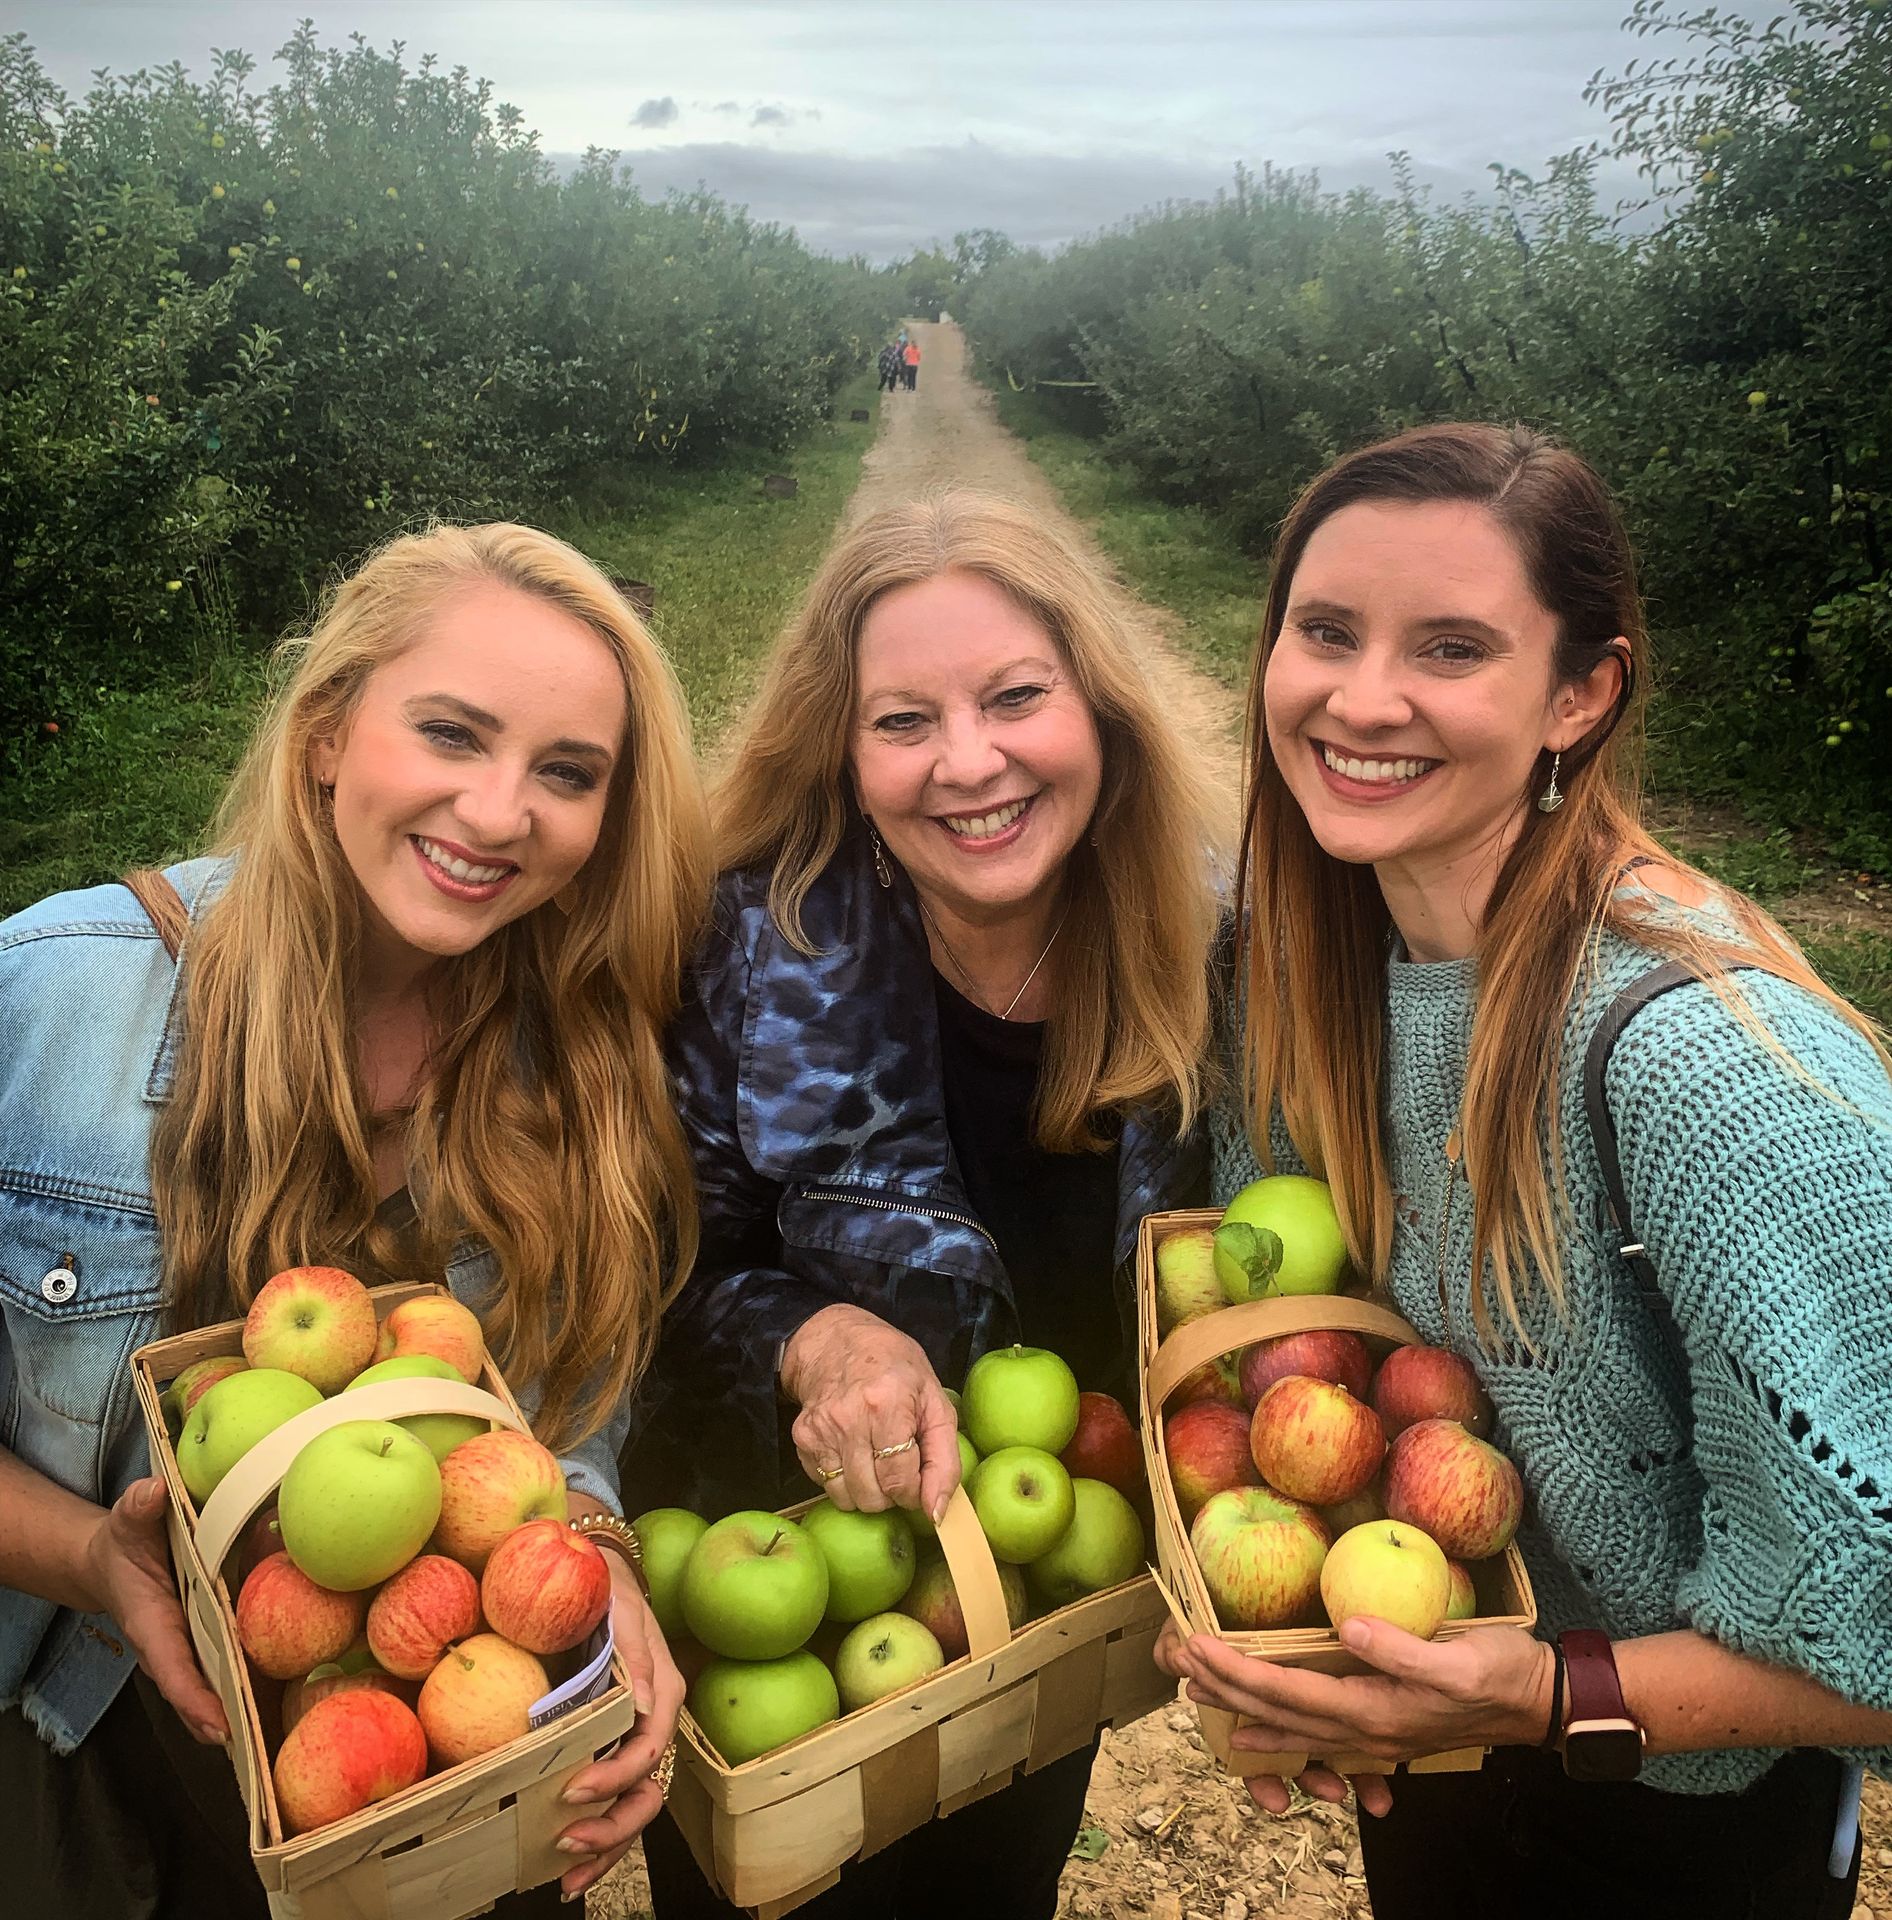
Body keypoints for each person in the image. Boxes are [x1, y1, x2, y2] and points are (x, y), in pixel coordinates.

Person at [1158, 422, 1892, 1920]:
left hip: (1670, 1828)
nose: (1362, 700)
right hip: (1448, 1757)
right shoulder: (1311, 969)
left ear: (1580, 693)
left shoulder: (1710, 1077)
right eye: (1325, 631)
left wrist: (1549, 1697)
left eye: (1449, 648)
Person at [0, 522, 713, 1916]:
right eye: (452, 734)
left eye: (567, 774)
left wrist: (595, 1553)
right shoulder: (44, 1005)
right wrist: (95, 1556)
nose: (502, 813)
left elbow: (570, 1411)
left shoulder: (577, 1065)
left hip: (432, 1793)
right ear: (328, 733)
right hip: (88, 1763)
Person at [626, 489, 1225, 1917]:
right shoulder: (749, 958)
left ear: (1104, 711)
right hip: (770, 1617)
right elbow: (647, 1277)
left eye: (1018, 697)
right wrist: (810, 1336)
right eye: (903, 721)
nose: (970, 763)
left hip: (1032, 1616)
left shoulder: (1216, 958)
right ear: (842, 751)